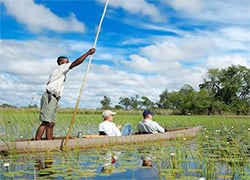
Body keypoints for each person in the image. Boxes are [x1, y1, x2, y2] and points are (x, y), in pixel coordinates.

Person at [35, 48, 96, 140]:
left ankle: (49, 141)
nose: (68, 64)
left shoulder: (62, 73)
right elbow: (75, 63)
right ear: (61, 62)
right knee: (46, 122)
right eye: (66, 62)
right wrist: (88, 53)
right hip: (49, 97)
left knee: (51, 123)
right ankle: (37, 140)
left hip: (54, 98)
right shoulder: (60, 68)